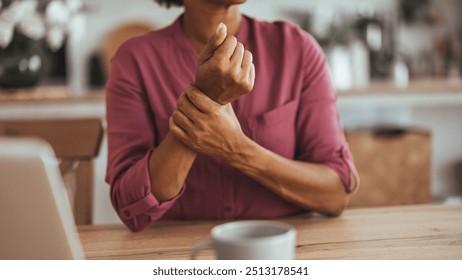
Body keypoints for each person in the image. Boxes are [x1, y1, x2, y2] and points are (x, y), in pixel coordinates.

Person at [105, 0, 359, 232]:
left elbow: (335, 193)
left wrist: (237, 149)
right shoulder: (134, 60)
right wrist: (207, 96)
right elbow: (131, 208)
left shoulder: (297, 49)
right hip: (180, 256)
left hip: (284, 250)